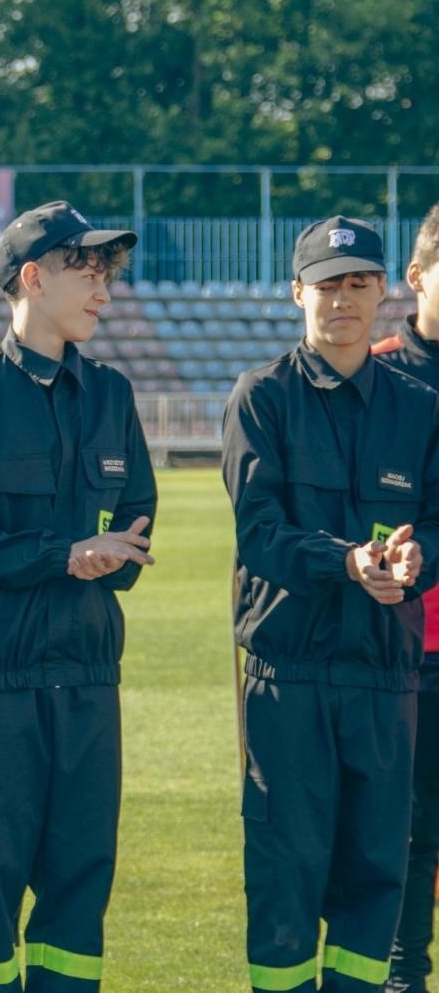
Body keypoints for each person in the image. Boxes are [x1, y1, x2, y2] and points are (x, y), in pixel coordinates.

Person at [0, 201, 156, 992]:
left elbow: (134, 535)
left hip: (87, 685)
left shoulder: (113, 395)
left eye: (106, 274)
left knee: (81, 895)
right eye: (87, 271)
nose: (103, 291)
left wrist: (109, 557)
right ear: (32, 277)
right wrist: (65, 554)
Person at [224, 216, 439, 993]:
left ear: (383, 290)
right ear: (296, 294)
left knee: (376, 873)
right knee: (287, 873)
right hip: (292, 675)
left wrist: (417, 560)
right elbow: (261, 535)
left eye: (357, 283)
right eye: (326, 285)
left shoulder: (419, 408)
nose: (342, 301)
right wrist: (346, 562)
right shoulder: (263, 399)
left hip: (386, 677)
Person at [374, 202, 439, 993]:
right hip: (407, 643)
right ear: (417, 276)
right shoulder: (381, 370)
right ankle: (402, 974)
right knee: (411, 827)